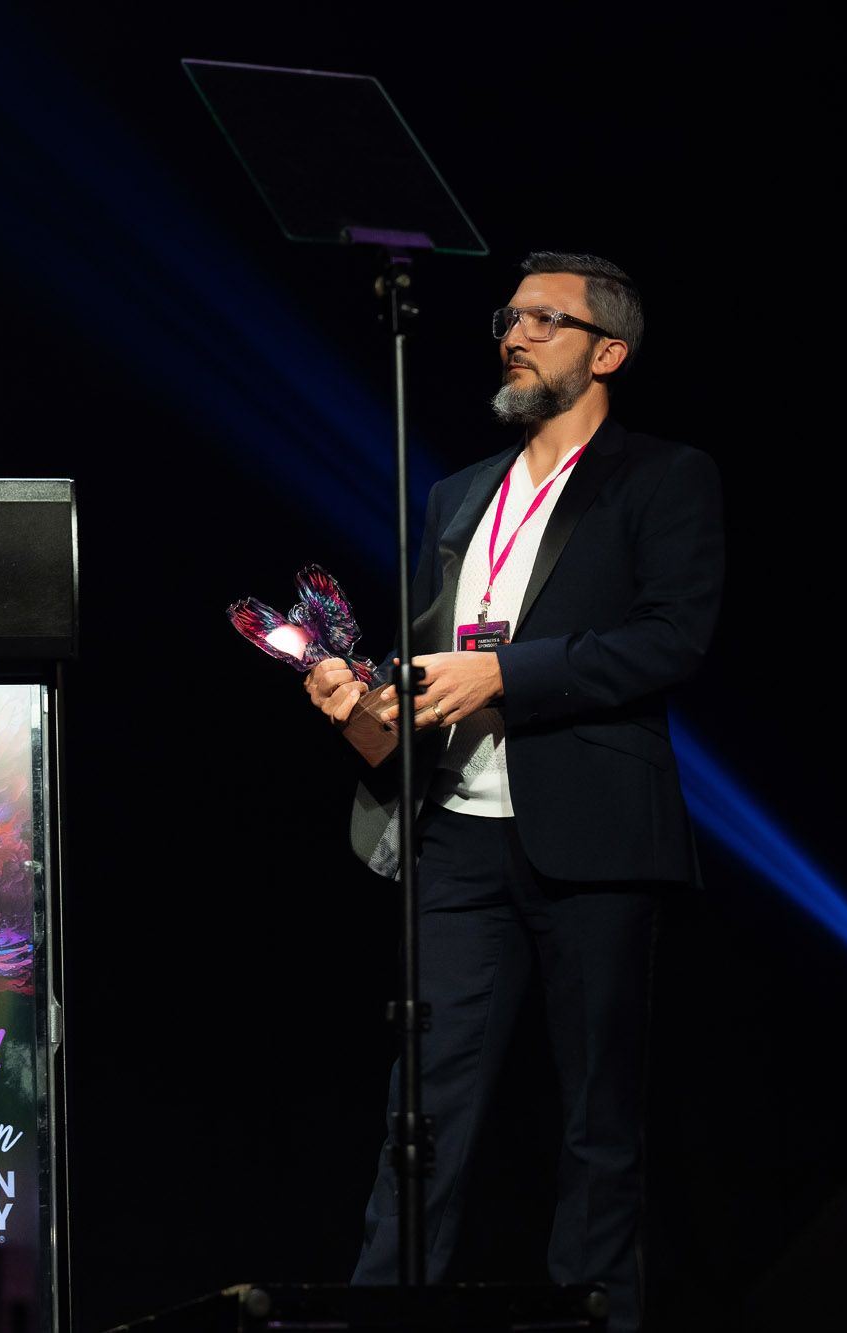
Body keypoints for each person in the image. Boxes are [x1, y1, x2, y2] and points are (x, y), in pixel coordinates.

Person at [305, 253, 723, 1333]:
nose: (515, 333)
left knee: (595, 1121)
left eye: (546, 318)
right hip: (456, 837)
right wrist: (365, 698)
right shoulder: (458, 492)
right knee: (423, 1111)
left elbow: (669, 640)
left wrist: (505, 674)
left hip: (592, 835)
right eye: (509, 315)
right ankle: (383, 1317)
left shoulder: (662, 476)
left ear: (607, 352)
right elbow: (428, 652)